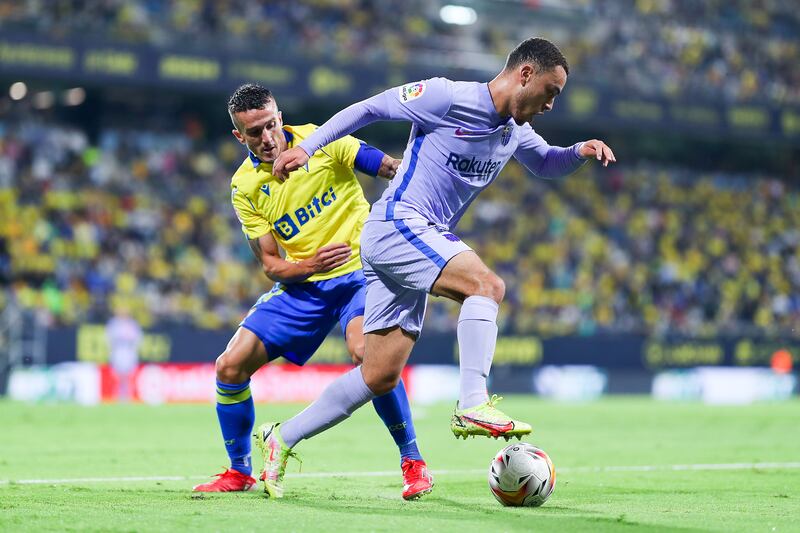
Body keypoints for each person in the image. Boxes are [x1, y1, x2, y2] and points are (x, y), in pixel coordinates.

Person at [257, 37, 617, 497]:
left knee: (379, 375)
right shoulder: (448, 97)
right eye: (551, 90)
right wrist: (309, 148)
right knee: (486, 285)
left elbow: (546, 163)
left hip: (412, 240)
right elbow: (369, 109)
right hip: (397, 224)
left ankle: (280, 438)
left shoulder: (514, 130)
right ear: (525, 74)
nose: (551, 103)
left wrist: (579, 152)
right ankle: (472, 402)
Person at [192, 84, 434, 500]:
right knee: (229, 367)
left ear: (280, 116)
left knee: (367, 354)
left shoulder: (325, 139)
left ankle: (412, 461)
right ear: (239, 136)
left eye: (270, 125)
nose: (266, 138)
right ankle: (240, 471)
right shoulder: (244, 186)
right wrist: (308, 266)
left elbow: (389, 167)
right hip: (304, 286)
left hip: (361, 274)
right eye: (254, 132)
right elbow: (270, 264)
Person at [105, 305, 143, 402]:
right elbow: (108, 338)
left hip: (129, 351)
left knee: (128, 375)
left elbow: (138, 338)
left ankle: (128, 395)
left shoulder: (133, 324)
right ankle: (116, 395)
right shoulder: (113, 324)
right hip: (118, 351)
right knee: (117, 375)